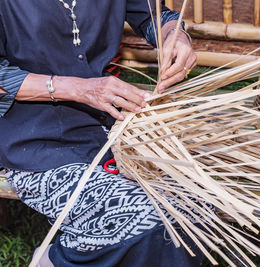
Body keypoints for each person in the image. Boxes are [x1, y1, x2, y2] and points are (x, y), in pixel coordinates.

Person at [0, 0, 200, 266]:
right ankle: (56, 261)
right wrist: (79, 89)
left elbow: (154, 17)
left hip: (110, 120)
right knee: (143, 218)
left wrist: (175, 36)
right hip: (31, 135)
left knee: (190, 205)